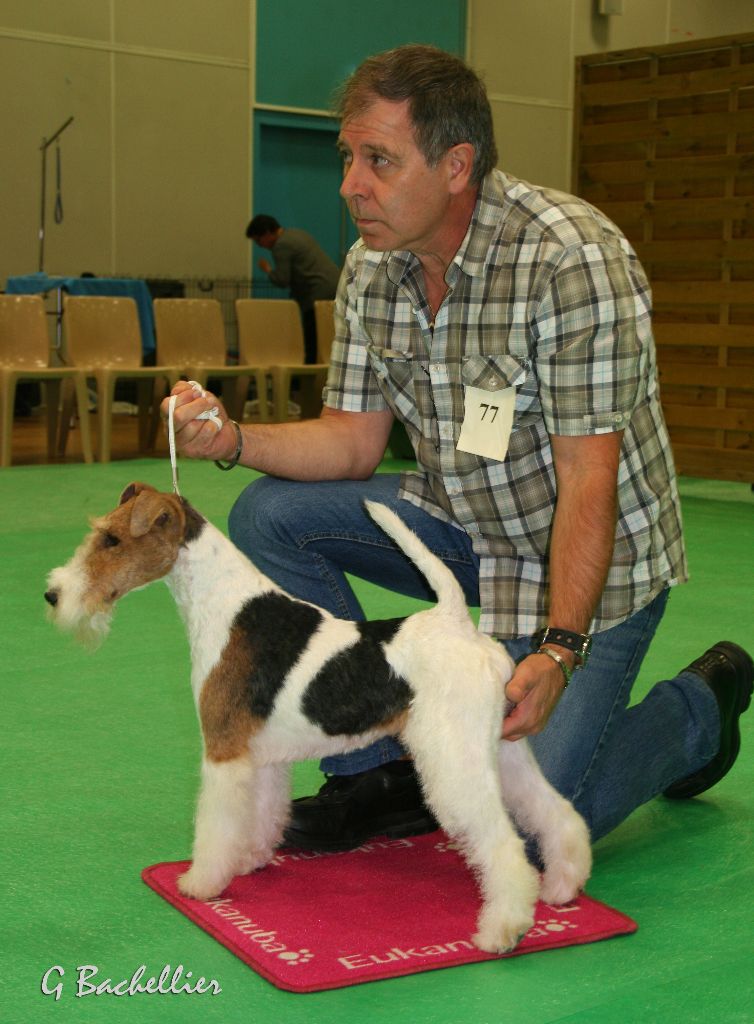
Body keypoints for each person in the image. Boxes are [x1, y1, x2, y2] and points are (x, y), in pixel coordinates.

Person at [166, 44, 752, 856]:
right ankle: (376, 770)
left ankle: (696, 711)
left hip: (593, 562)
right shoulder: (372, 270)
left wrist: (557, 650)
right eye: (349, 158)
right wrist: (233, 439)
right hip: (464, 528)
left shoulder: (571, 259)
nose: (349, 186)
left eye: (377, 159)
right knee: (271, 513)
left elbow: (591, 478)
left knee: (528, 828)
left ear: (456, 165)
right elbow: (352, 441)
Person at [246, 214, 341, 363]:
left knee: (313, 343)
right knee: (327, 341)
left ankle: (308, 380)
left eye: (259, 241)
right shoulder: (297, 234)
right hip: (336, 288)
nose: (261, 246)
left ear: (267, 233)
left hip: (316, 293)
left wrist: (268, 270)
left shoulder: (281, 245)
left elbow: (282, 279)